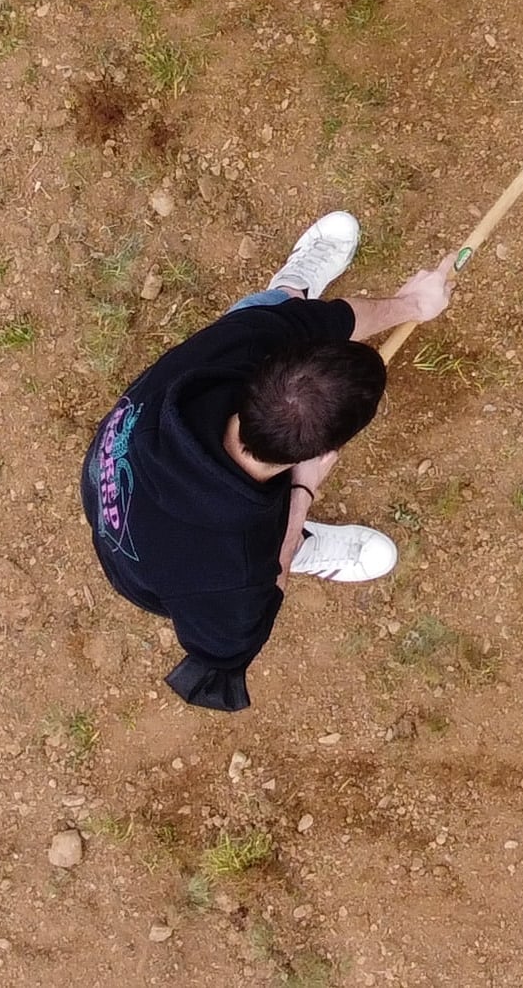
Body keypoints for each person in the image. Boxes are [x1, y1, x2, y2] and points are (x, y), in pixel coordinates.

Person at [81, 211, 454, 711]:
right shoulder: (232, 574)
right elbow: (225, 655)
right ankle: (297, 544)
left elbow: (333, 321)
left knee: (270, 310)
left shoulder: (239, 351)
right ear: (323, 453)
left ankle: (292, 286)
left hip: (112, 478)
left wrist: (414, 303)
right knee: (269, 553)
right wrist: (301, 495)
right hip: (144, 571)